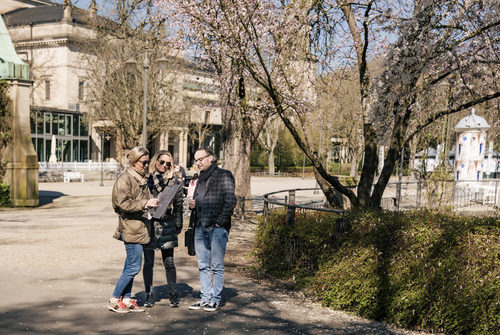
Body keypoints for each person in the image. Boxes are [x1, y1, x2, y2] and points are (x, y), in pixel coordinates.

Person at [108, 147, 158, 313]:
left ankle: (127, 299)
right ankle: (115, 299)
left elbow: (143, 201)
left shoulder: (141, 179)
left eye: (147, 162)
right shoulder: (125, 179)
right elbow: (122, 204)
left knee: (130, 265)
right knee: (134, 268)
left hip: (140, 228)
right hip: (130, 229)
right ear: (134, 162)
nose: (146, 165)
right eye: (144, 162)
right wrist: (145, 204)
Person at [188, 147, 236, 312]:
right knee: (202, 265)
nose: (198, 162)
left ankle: (215, 299)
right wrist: (193, 204)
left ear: (211, 158)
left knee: (216, 265)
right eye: (196, 160)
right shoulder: (199, 178)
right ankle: (205, 298)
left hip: (217, 228)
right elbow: (198, 199)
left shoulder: (224, 175)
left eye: (200, 159)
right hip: (200, 226)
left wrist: (220, 223)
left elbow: (230, 201)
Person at [143, 150, 184, 308]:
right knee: (148, 263)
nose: (165, 166)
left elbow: (179, 207)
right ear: (156, 161)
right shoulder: (146, 180)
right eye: (162, 162)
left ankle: (173, 294)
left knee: (169, 262)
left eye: (168, 163)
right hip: (149, 224)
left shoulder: (174, 182)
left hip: (167, 224)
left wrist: (178, 225)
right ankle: (149, 295)